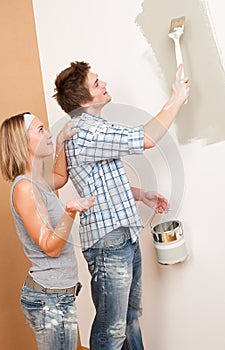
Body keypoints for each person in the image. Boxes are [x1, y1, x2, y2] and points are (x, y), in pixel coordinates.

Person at [52, 61, 190, 349]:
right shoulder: (86, 133)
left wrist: (140, 194)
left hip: (121, 235)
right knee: (111, 332)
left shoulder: (94, 128)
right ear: (83, 100)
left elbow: (100, 181)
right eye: (96, 83)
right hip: (108, 243)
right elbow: (147, 138)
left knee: (128, 320)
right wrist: (176, 99)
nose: (103, 84)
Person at [0, 112, 96, 350]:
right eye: (40, 130)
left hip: (56, 297)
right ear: (23, 142)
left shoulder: (38, 181)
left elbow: (61, 177)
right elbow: (51, 247)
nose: (48, 133)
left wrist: (61, 142)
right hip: (50, 301)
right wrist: (70, 212)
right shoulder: (24, 188)